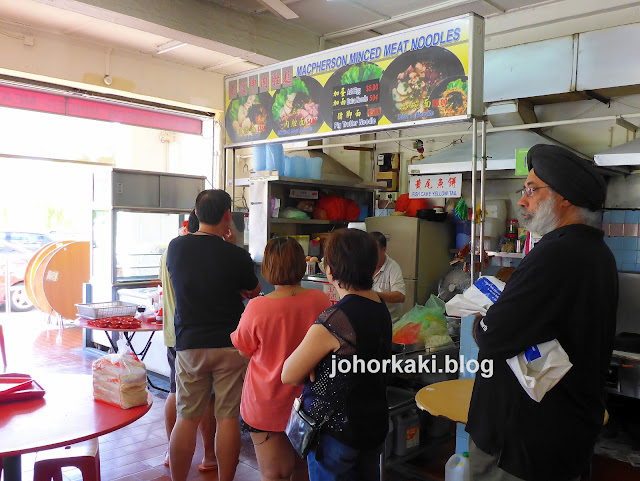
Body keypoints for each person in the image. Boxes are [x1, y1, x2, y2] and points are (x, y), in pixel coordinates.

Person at [466, 144, 618, 481]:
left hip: (520, 444)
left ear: (564, 198)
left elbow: (494, 336)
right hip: (561, 437)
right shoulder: (597, 253)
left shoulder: (556, 253)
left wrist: (483, 320)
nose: (522, 201)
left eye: (532, 190)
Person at [282, 228, 392, 481]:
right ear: (372, 267)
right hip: (373, 424)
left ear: (330, 269)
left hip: (336, 434)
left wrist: (315, 364)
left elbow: (289, 374)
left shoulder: (336, 319)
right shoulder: (379, 306)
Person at [166, 189, 261, 481]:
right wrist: (233, 246)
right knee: (228, 418)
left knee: (187, 418)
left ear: (195, 215)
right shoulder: (236, 254)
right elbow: (254, 291)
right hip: (229, 345)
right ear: (227, 216)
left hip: (190, 345)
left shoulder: (176, 247)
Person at [231, 237, 331, 481]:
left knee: (273, 474)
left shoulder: (257, 307)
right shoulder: (320, 300)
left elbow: (244, 349)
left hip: (266, 402)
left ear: (268, 267)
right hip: (309, 401)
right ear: (300, 265)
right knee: (302, 471)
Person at [160, 210, 217, 471]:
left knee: (175, 391)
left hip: (174, 333)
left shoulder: (169, 252)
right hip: (194, 334)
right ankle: (208, 455)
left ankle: (172, 453)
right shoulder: (194, 253)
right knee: (206, 397)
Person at [370, 231, 406, 323]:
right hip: (369, 321)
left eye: (375, 251)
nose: (371, 255)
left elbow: (400, 296)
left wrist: (373, 295)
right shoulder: (362, 265)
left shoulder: (393, 267)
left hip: (391, 323)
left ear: (384, 250)